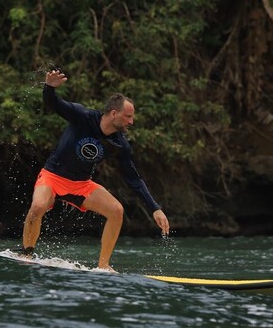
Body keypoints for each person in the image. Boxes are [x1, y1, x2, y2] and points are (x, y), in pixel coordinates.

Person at [20, 69, 170, 271]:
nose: (131, 122)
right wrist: (49, 88)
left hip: (82, 184)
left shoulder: (120, 144)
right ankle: (26, 255)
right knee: (37, 207)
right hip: (53, 176)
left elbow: (133, 177)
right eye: (128, 117)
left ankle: (103, 265)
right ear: (114, 113)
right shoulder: (83, 116)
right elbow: (53, 104)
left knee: (116, 211)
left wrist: (155, 208)